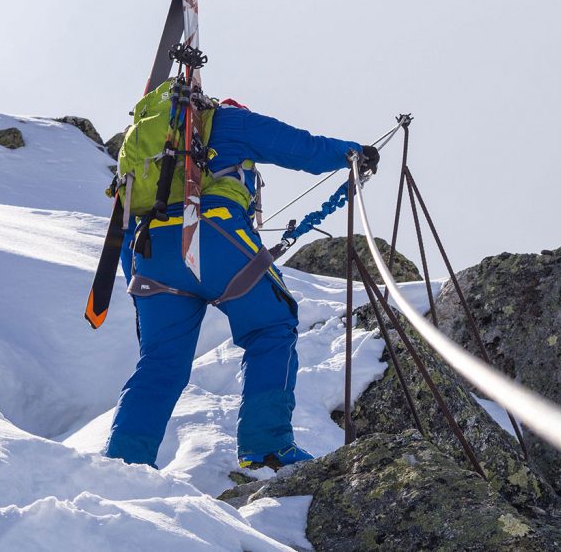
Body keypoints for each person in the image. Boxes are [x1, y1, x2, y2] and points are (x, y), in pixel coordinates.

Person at [103, 97, 380, 470]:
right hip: (212, 230)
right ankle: (264, 446)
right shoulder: (230, 121)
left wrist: (139, 290)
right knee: (272, 324)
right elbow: (301, 147)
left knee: (160, 362)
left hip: (152, 253)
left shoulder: (145, 154)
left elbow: (124, 223)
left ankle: (123, 462)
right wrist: (350, 154)